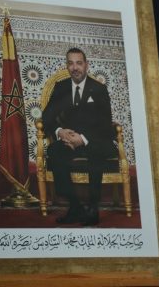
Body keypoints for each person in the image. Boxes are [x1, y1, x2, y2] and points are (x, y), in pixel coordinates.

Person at [42, 47, 115, 226]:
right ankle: (75, 206)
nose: (75, 67)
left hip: (94, 139)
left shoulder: (99, 89)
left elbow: (106, 124)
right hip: (69, 140)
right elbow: (47, 117)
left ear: (86, 65)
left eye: (79, 63)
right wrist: (60, 132)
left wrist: (82, 139)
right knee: (54, 151)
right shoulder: (61, 88)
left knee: (96, 151)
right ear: (67, 66)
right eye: (71, 63)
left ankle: (93, 208)